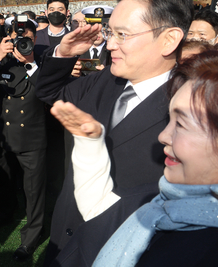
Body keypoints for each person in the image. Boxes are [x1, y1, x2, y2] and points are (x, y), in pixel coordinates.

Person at [36, 0, 193, 267]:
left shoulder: (192, 110)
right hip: (64, 238)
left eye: (122, 34)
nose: (109, 45)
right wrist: (64, 55)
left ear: (169, 39)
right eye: (111, 32)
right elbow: (50, 94)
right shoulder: (108, 79)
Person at [51, 50, 218, 266]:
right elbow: (100, 210)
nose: (163, 136)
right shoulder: (156, 200)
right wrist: (89, 142)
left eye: (182, 124)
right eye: (170, 119)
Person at [0, 18, 47, 262]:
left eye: (27, 40)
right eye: (16, 39)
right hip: (6, 137)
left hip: (32, 138)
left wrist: (30, 62)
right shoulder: (3, 62)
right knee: (5, 180)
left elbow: (47, 89)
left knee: (33, 191)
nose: (22, 44)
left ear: (35, 39)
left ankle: (32, 235)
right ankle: (4, 214)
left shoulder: (43, 63)